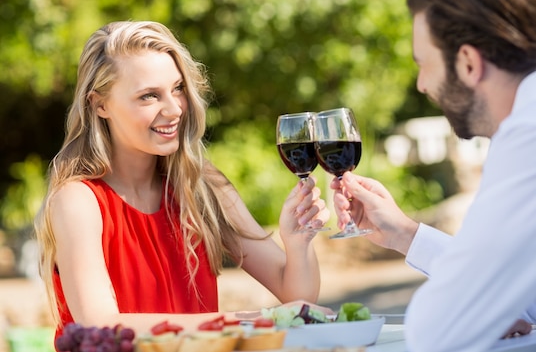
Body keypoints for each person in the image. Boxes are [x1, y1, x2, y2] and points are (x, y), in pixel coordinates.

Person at [331, 0, 536, 352]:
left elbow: (440, 328)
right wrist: (406, 234)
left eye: (424, 64)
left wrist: (484, 306)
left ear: (468, 63)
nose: (421, 84)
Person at [34, 21, 331, 339]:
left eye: (177, 88)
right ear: (100, 104)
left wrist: (297, 244)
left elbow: (296, 297)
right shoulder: (78, 200)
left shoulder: (202, 185)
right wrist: (250, 320)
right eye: (149, 96)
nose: (174, 108)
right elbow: (100, 324)